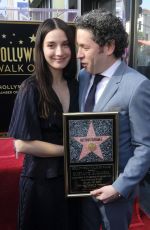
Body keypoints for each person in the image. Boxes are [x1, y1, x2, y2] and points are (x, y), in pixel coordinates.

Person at [75, 8, 150, 230]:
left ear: (108, 47)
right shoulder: (82, 77)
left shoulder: (137, 86)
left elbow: (145, 146)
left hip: (115, 194)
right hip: (81, 187)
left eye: (85, 47)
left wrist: (119, 187)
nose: (78, 54)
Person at [8, 18, 79, 230]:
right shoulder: (30, 88)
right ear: (40, 48)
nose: (60, 52)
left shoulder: (77, 85)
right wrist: (71, 151)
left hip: (73, 182)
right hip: (41, 184)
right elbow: (22, 145)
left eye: (65, 44)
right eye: (51, 45)